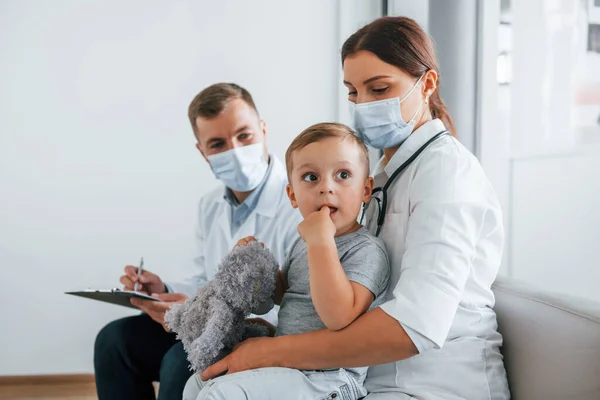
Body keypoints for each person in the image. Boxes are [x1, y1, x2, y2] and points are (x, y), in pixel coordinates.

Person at [198, 17, 511, 400]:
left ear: (426, 85)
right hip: (370, 379)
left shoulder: (447, 172)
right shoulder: (380, 176)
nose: (363, 105)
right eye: (352, 92)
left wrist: (271, 353)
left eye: (379, 89)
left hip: (437, 384)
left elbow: (416, 325)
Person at [93, 83, 302, 400]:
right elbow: (204, 279)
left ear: (263, 130)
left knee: (180, 362)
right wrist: (162, 291)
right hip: (206, 324)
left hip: (262, 332)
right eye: (217, 143)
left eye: (244, 136)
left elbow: (299, 303)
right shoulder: (210, 206)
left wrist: (204, 311)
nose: (234, 150)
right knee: (114, 341)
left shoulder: (299, 200)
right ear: (202, 152)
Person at [183, 122, 390, 400]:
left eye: (343, 174)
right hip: (291, 367)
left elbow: (339, 316)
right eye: (310, 178)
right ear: (292, 196)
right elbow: (282, 295)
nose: (326, 188)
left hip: (330, 377)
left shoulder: (367, 250)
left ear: (366, 190)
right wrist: (256, 272)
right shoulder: (302, 242)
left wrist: (321, 243)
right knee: (198, 384)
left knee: (222, 394)